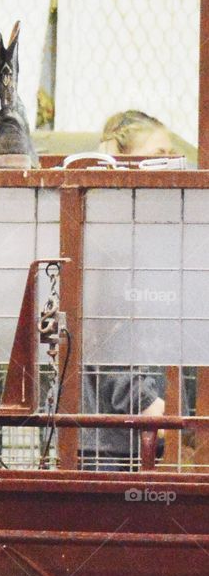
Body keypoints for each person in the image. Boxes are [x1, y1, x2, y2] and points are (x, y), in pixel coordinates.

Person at [79, 111, 176, 470]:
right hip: (119, 447)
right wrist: (153, 407)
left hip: (109, 440)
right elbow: (109, 342)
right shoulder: (118, 240)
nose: (172, 163)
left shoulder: (115, 229)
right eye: (161, 152)